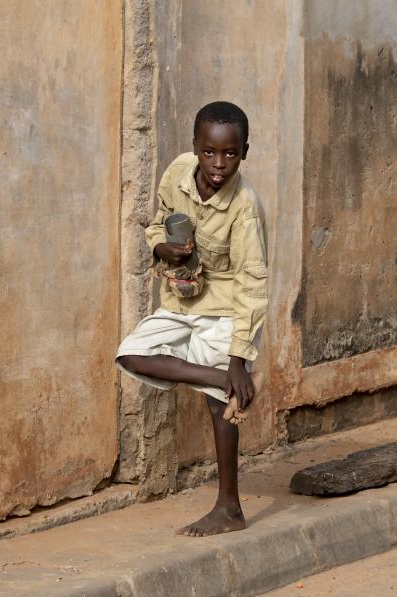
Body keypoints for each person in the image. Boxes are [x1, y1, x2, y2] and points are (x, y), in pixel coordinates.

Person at [116, 101, 268, 537]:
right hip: (180, 300)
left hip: (223, 308)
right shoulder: (177, 173)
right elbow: (160, 223)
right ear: (195, 148)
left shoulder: (244, 208)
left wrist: (239, 359)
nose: (218, 165)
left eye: (230, 155)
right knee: (131, 355)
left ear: (244, 152)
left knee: (221, 407)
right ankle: (216, 378)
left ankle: (229, 507)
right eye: (209, 152)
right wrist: (159, 248)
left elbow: (252, 286)